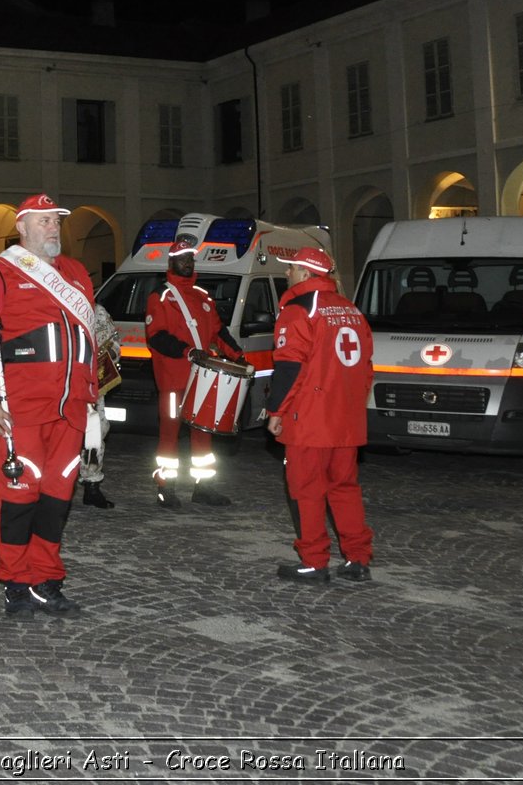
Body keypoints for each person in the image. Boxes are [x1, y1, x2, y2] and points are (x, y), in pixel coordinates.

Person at [0, 195, 97, 616]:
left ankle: (46, 578)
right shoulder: (0, 273)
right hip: (20, 408)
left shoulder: (76, 274)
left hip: (72, 407)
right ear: (22, 227)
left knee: (58, 496)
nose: (53, 228)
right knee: (19, 495)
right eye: (43, 222)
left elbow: (88, 341)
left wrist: (93, 400)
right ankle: (16, 581)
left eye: (56, 221)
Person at [266, 246, 375, 583]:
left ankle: (314, 562)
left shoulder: (298, 311)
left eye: (292, 268)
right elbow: (367, 367)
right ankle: (357, 559)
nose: (287, 273)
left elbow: (289, 368)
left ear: (306, 273)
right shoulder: (352, 310)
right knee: (345, 488)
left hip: (311, 420)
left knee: (306, 489)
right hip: (347, 419)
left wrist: (274, 410)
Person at [145, 235, 244, 507]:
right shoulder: (161, 296)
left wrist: (237, 354)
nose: (188, 263)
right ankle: (166, 488)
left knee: (203, 433)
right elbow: (156, 336)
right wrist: (188, 351)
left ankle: (204, 488)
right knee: (170, 434)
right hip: (173, 379)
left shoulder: (203, 296)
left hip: (201, 378)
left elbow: (217, 331)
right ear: (172, 261)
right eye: (182, 259)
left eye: (190, 258)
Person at [79, 303, 121, 508]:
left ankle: (91, 486)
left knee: (94, 434)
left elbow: (113, 342)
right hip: (57, 383)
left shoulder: (96, 310)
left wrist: (110, 354)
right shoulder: (50, 301)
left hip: (91, 383)